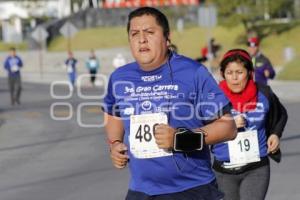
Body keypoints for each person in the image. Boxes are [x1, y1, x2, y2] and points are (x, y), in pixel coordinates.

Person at [103, 7, 237, 200]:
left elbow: (228, 127)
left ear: (167, 37)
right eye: (135, 34)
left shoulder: (193, 72)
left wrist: (181, 140)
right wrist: (115, 143)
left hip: (192, 189)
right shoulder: (119, 78)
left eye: (149, 32)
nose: (141, 39)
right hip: (141, 191)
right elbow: (114, 114)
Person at [211, 49, 288, 200]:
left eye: (239, 72)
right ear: (222, 74)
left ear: (250, 73)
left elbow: (280, 114)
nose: (234, 78)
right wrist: (228, 124)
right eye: (229, 72)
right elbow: (202, 126)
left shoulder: (263, 93)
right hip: (223, 171)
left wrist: (275, 134)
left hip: (256, 168)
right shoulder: (213, 97)